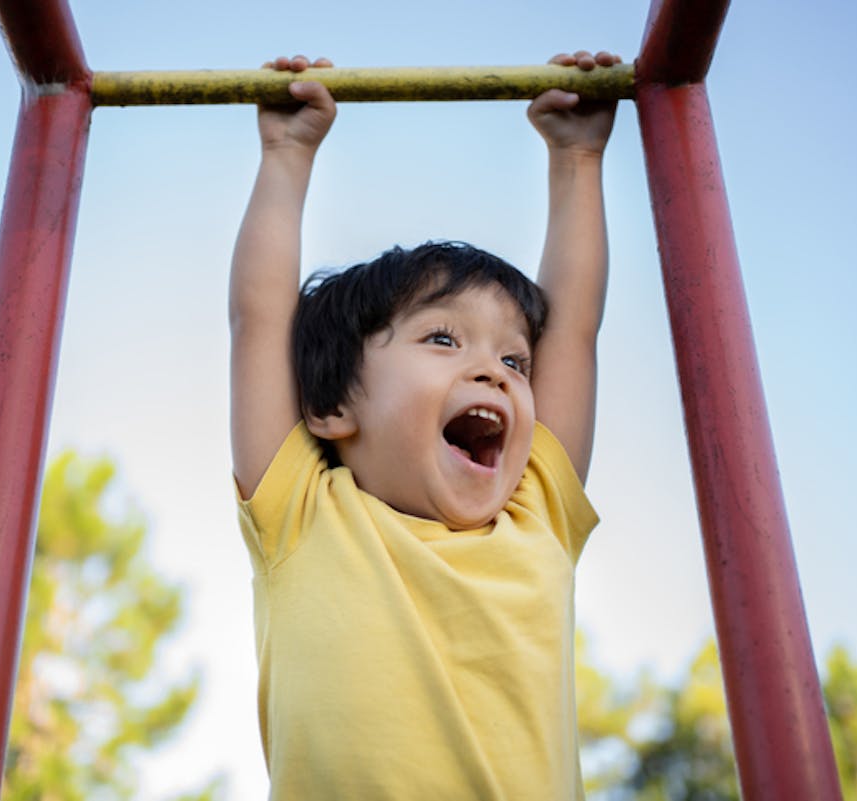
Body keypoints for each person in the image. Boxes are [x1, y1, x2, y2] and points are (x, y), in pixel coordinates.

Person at [230, 50, 619, 800]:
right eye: (443, 338)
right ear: (333, 408)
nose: (493, 371)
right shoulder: (304, 516)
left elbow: (572, 330)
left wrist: (577, 160)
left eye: (514, 359)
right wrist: (285, 154)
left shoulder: (537, 513)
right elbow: (260, 321)